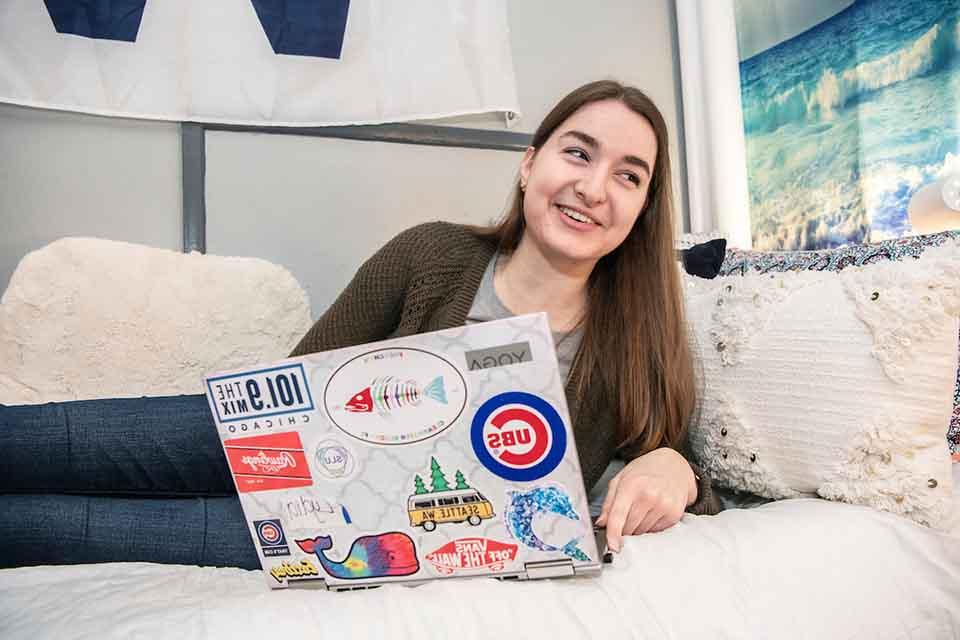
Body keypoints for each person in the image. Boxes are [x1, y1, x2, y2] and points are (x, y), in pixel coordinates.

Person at [290, 79, 719, 552]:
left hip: (383, 539)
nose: (593, 189)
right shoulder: (428, 256)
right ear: (529, 164)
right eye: (579, 153)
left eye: (628, 176)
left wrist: (679, 471)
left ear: (641, 212)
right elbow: (285, 396)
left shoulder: (638, 339)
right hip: (325, 488)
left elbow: (687, 474)